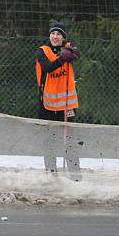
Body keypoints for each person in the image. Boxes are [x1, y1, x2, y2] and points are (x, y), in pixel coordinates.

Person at [35, 22, 81, 177]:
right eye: (53, 33)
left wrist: (72, 52)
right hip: (47, 105)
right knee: (49, 141)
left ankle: (75, 176)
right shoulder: (42, 51)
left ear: (63, 37)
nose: (55, 37)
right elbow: (47, 67)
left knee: (70, 141)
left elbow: (77, 56)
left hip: (68, 105)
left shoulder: (67, 49)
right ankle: (51, 174)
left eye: (59, 34)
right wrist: (62, 59)